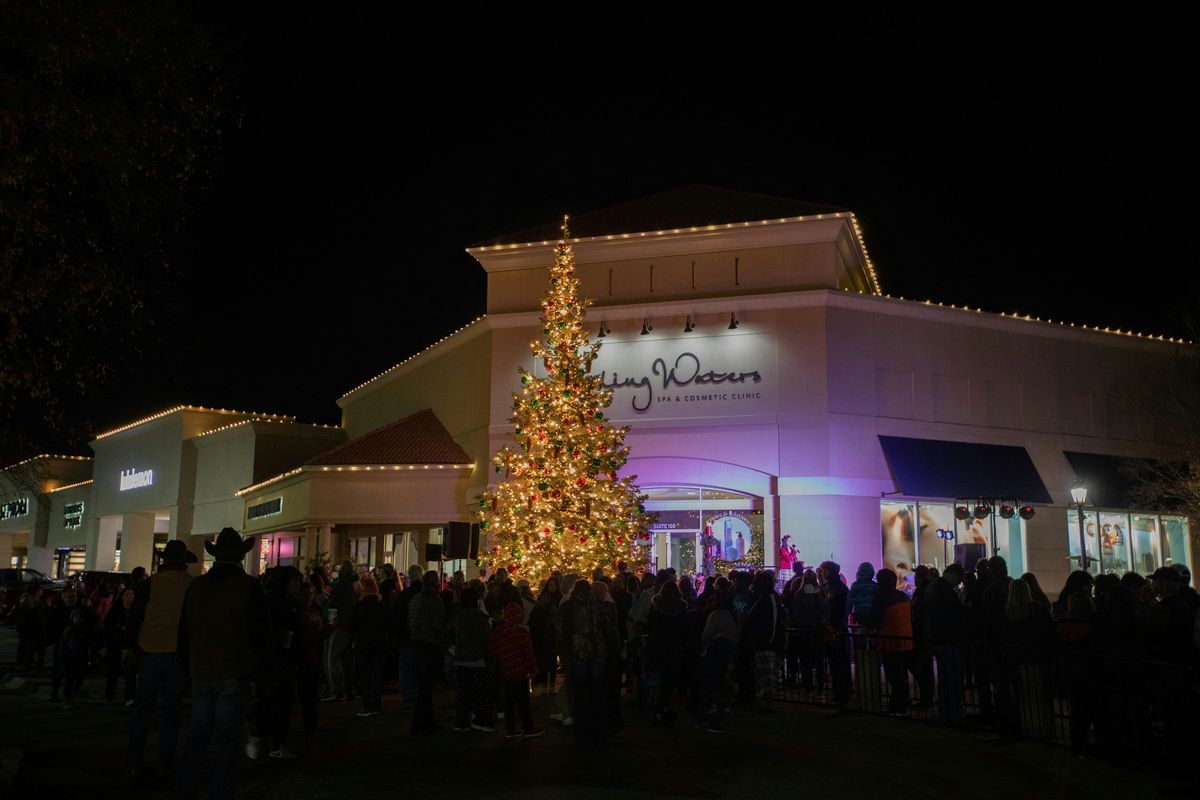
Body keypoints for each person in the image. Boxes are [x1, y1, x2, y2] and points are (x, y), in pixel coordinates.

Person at [177, 528, 267, 800]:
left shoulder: (197, 586)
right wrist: (263, 672)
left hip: (202, 668)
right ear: (241, 556)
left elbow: (185, 629)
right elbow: (261, 633)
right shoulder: (250, 587)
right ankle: (220, 791)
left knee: (198, 734)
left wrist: (185, 668)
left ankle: (188, 787)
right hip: (234, 668)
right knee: (227, 740)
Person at [126, 539, 195, 782]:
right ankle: (164, 763)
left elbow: (134, 618)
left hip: (150, 649)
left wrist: (132, 649)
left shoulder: (150, 584)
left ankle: (135, 761)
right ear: (185, 562)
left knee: (143, 710)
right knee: (171, 712)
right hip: (177, 654)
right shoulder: (191, 585)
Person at [558, 578, 608, 744]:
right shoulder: (597, 606)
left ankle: (582, 729)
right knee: (596, 690)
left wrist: (565, 652)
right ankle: (598, 728)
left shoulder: (568, 607)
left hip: (578, 651)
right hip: (596, 651)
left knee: (580, 692)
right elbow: (604, 627)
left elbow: (562, 631)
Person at [490, 600, 543, 738]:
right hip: (520, 671)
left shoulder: (498, 631)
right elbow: (528, 651)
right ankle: (528, 727)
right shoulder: (521, 632)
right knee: (523, 702)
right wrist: (533, 668)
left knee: (509, 701)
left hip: (506, 670)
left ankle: (511, 729)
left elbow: (494, 651)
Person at [449, 585, 495, 732]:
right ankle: (480, 720)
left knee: (463, 693)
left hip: (461, 658)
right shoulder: (480, 618)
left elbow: (450, 633)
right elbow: (487, 638)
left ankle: (461, 721)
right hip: (477, 659)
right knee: (481, 692)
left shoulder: (457, 616)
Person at [408, 570, 447, 734]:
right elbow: (438, 624)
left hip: (417, 643)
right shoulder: (434, 600)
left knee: (422, 686)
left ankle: (423, 721)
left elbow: (409, 621)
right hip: (430, 644)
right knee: (427, 687)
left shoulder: (416, 599)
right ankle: (423, 722)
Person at [742, 571, 786, 711]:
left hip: (764, 642)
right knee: (765, 674)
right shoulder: (770, 598)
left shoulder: (766, 598)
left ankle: (766, 702)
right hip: (766, 641)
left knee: (765, 674)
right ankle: (765, 701)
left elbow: (752, 618)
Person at [874, 568, 915, 715]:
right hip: (906, 640)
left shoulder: (882, 599)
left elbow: (875, 620)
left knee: (893, 675)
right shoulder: (904, 596)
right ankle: (902, 700)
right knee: (901, 674)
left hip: (889, 641)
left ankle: (899, 704)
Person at [350, 574, 390, 718]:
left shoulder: (359, 608)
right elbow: (389, 625)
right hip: (379, 645)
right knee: (377, 677)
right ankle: (375, 705)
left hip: (364, 646)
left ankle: (366, 705)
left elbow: (353, 627)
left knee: (365, 677)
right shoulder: (382, 607)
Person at [698, 590, 738, 732]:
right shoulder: (730, 616)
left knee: (711, 684)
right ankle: (716, 712)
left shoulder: (715, 615)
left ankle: (711, 716)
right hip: (726, 653)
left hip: (714, 652)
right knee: (720, 684)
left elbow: (706, 636)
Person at [324, 560, 359, 702]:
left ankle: (334, 689)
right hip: (351, 627)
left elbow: (333, 604)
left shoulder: (342, 584)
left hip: (340, 626)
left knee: (330, 657)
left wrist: (328, 618)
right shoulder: (357, 584)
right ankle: (348, 689)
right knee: (346, 660)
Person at [391, 563, 425, 712]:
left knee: (407, 671)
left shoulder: (405, 595)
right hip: (424, 639)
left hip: (407, 638)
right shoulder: (427, 594)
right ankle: (421, 699)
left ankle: (411, 700)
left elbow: (397, 616)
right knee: (420, 670)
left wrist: (398, 635)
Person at [103, 586, 138, 705]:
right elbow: (108, 629)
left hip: (130, 647)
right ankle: (109, 696)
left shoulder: (136, 612)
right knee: (113, 672)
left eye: (132, 594)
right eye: (128, 594)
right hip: (116, 647)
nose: (130, 597)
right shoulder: (115, 612)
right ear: (122, 597)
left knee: (130, 674)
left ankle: (130, 697)